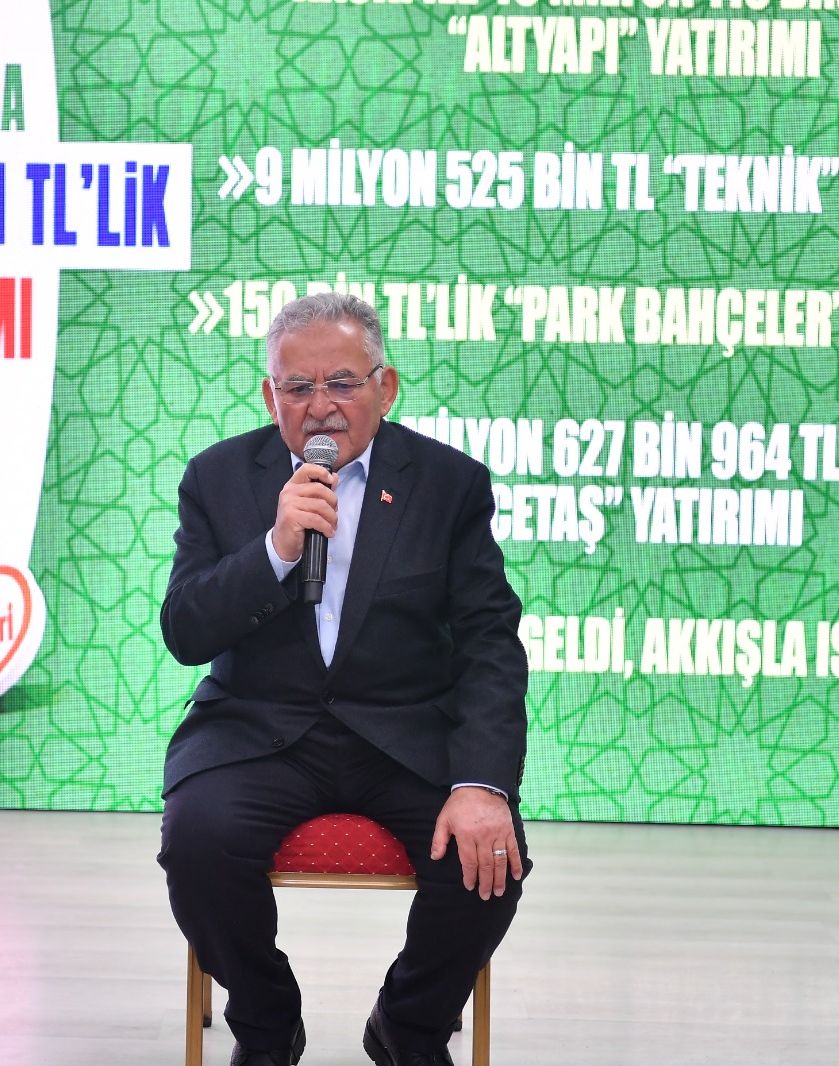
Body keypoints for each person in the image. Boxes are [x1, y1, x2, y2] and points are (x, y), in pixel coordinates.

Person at [157, 292, 529, 1066]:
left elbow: (490, 642)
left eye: (343, 383)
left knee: (486, 862)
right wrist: (275, 550)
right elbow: (186, 633)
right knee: (198, 843)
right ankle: (266, 1022)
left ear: (385, 387)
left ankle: (408, 1025)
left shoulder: (448, 484)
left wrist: (482, 783)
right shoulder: (218, 479)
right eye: (298, 387)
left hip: (402, 733)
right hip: (258, 731)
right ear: (271, 396)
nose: (320, 406)